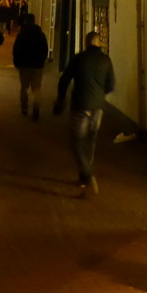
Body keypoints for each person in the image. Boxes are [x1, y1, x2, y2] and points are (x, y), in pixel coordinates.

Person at [54, 31, 115, 195]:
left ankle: (86, 173)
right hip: (98, 106)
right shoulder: (106, 60)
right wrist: (99, 94)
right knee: (91, 140)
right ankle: (84, 174)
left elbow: (64, 79)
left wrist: (61, 99)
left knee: (76, 141)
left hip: (80, 104)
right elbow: (111, 85)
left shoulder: (78, 58)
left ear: (86, 43)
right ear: (99, 43)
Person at [12, 13, 49, 120]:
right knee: (36, 88)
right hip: (37, 65)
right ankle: (36, 110)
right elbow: (45, 49)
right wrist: (42, 60)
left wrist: (17, 62)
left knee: (24, 87)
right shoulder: (40, 34)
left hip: (24, 65)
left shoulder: (21, 34)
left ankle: (24, 109)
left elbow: (16, 49)